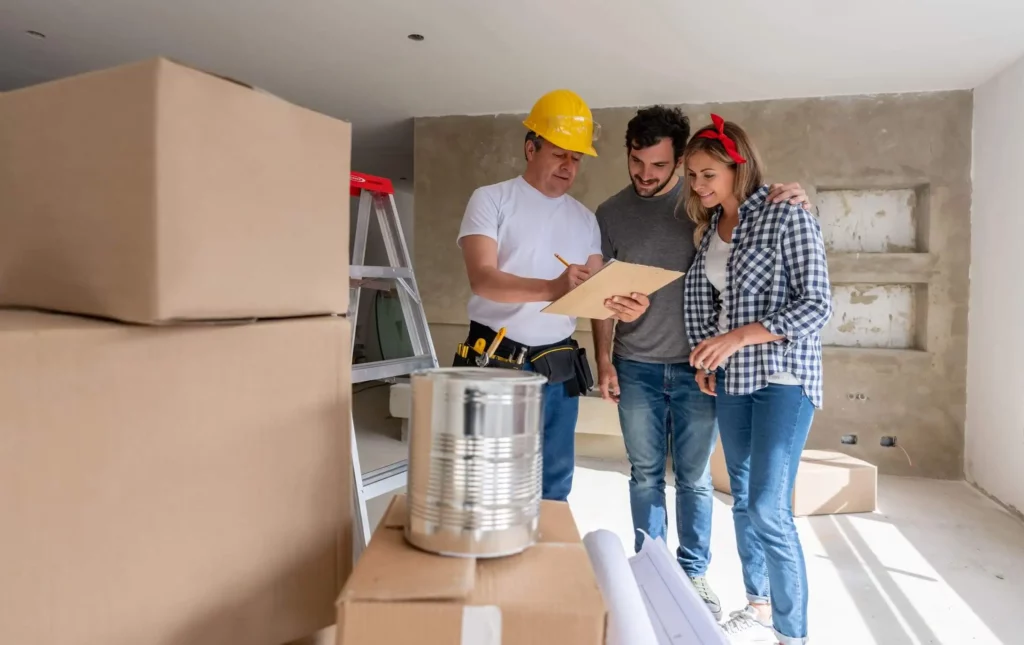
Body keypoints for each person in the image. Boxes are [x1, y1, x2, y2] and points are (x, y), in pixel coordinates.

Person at [592, 105, 812, 621]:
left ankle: (694, 578)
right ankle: (652, 571)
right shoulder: (616, 214)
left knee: (696, 481)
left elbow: (764, 226)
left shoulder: (702, 209)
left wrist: (801, 199)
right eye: (636, 163)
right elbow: (601, 294)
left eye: (661, 166)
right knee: (645, 475)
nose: (647, 175)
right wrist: (603, 357)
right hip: (639, 364)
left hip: (703, 369)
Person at [456, 89, 651, 502]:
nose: (568, 166)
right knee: (489, 484)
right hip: (496, 361)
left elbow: (598, 298)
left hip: (557, 366)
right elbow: (483, 279)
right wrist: (552, 288)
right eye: (559, 154)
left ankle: (547, 564)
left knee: (554, 483)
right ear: (531, 148)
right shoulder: (491, 200)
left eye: (576, 158)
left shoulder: (584, 221)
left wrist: (608, 347)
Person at [682, 114, 832, 644]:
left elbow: (817, 305)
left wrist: (739, 337)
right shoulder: (709, 234)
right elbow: (709, 304)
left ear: (736, 166)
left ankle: (793, 635)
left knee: (770, 506)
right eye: (692, 176)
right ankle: (760, 604)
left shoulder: (786, 212)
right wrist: (707, 359)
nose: (698, 186)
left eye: (708, 174)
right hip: (732, 383)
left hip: (785, 379)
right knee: (744, 500)